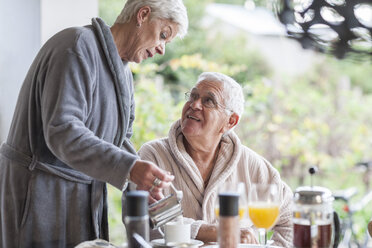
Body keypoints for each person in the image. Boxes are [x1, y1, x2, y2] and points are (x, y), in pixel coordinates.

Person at [0, 0, 188, 247]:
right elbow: (62, 131)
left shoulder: (124, 73)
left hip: (82, 199)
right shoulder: (76, 46)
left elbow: (120, 140)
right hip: (40, 194)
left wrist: (145, 180)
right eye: (163, 35)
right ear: (142, 15)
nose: (162, 49)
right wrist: (130, 168)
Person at [138, 72, 293, 247]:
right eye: (193, 96)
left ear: (230, 122)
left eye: (208, 101)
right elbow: (146, 220)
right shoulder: (154, 156)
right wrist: (220, 232)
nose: (194, 104)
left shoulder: (252, 166)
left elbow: (291, 218)